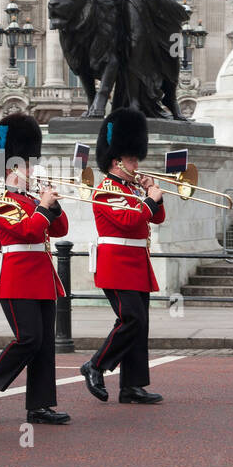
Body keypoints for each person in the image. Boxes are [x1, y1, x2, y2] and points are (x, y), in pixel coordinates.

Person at [0, 113, 71, 425]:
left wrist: (51, 205)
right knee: (28, 338)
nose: (32, 170)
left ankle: (39, 406)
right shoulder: (2, 202)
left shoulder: (31, 200)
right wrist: (43, 206)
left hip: (41, 277)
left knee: (44, 345)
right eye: (27, 166)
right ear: (13, 170)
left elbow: (60, 230)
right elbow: (28, 231)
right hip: (16, 279)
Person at [79, 108, 166, 405]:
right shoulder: (106, 190)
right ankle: (96, 364)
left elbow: (157, 218)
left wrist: (155, 193)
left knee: (141, 324)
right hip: (116, 265)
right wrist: (147, 200)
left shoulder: (129, 189)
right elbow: (129, 221)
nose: (136, 163)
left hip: (137, 265)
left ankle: (132, 385)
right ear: (117, 161)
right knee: (131, 318)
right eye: (131, 159)